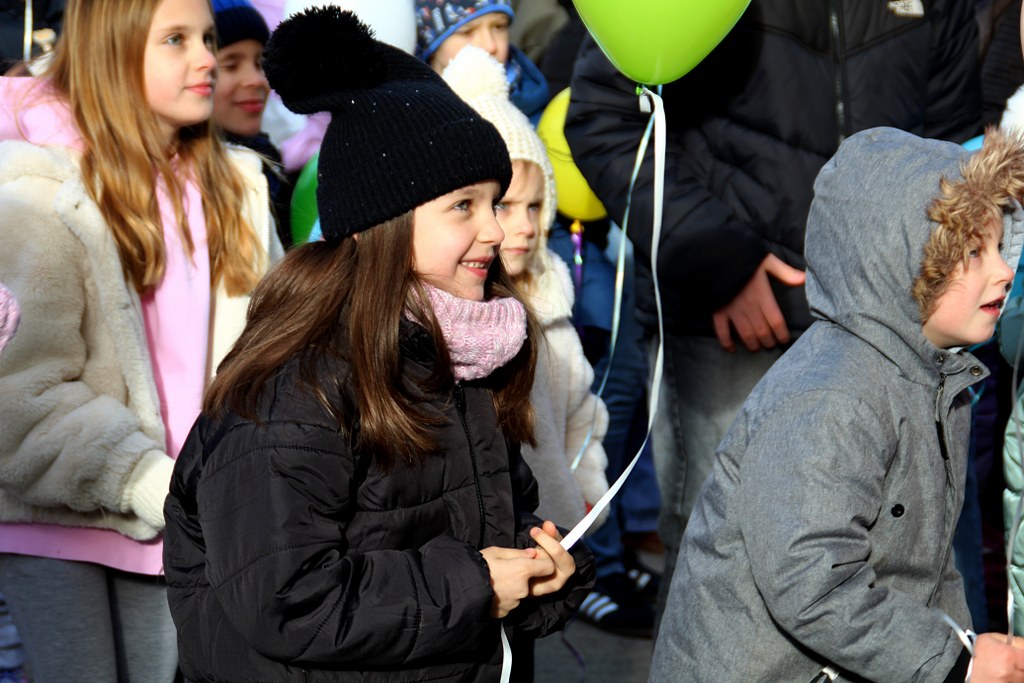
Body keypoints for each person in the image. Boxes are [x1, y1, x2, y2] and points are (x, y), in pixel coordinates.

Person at [162, 8, 593, 682]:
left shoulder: (467, 351)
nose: (494, 230)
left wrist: (544, 570)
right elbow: (285, 596)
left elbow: (483, 520)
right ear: (382, 220)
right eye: (464, 205)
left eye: (497, 202)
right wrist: (477, 585)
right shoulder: (295, 386)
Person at [564, 0, 984, 618]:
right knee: (731, 576)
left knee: (920, 570)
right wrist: (720, 262)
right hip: (734, 324)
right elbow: (607, 116)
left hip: (903, 323)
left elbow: (951, 148)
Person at [650, 125, 1024, 681]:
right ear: (897, 261)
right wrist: (953, 664)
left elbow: (927, 567)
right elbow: (811, 581)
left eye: (999, 246)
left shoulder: (933, 378)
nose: (1005, 269)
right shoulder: (831, 397)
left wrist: (959, 651)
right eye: (973, 251)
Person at [0, 0, 281, 679]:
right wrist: (152, 482)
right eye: (176, 40)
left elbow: (273, 350)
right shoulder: (37, 190)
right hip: (63, 523)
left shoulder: (236, 187)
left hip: (189, 522)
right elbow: (21, 397)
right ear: (115, 51)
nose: (207, 59)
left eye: (207, 37)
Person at [442, 45, 609, 535]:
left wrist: (587, 489)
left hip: (561, 532)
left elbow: (582, 411)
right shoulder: (457, 314)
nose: (525, 226)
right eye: (505, 205)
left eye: (535, 207)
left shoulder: (550, 300)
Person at [211, 0, 293, 249]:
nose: (256, 80)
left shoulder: (270, 162)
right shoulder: (189, 184)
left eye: (260, 63)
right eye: (231, 65)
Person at [415, 0, 549, 123]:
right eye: (467, 32)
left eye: (499, 26)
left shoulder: (539, 106)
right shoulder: (414, 114)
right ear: (431, 45)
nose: (490, 46)